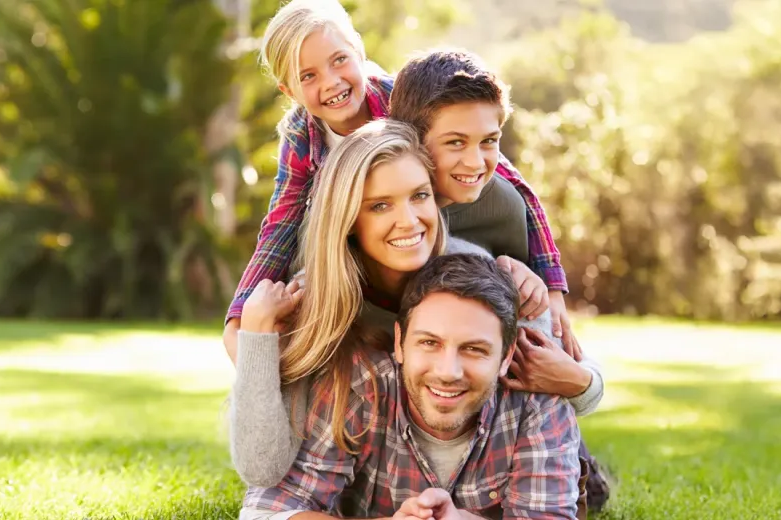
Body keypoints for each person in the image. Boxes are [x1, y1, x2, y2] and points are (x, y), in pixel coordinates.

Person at [227, 120, 609, 513]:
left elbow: (547, 380)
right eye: (379, 205)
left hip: (501, 448)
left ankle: (584, 475)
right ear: (348, 219)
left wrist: (580, 383)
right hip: (379, 450)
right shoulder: (315, 308)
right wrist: (256, 336)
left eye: (420, 196)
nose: (409, 221)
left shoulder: (481, 276)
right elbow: (263, 471)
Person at [221, 0, 572, 364]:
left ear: (358, 50)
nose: (331, 82)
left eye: (339, 60)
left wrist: (553, 283)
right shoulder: (300, 134)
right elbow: (280, 223)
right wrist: (239, 313)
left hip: (433, 229)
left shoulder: (397, 101)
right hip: (362, 251)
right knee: (305, 239)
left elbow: (514, 182)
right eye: (308, 76)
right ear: (289, 90)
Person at [239, 253, 583, 520]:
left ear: (507, 356)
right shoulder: (360, 385)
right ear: (400, 343)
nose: (448, 372)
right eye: (429, 343)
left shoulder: (540, 405)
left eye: (474, 349)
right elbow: (266, 511)